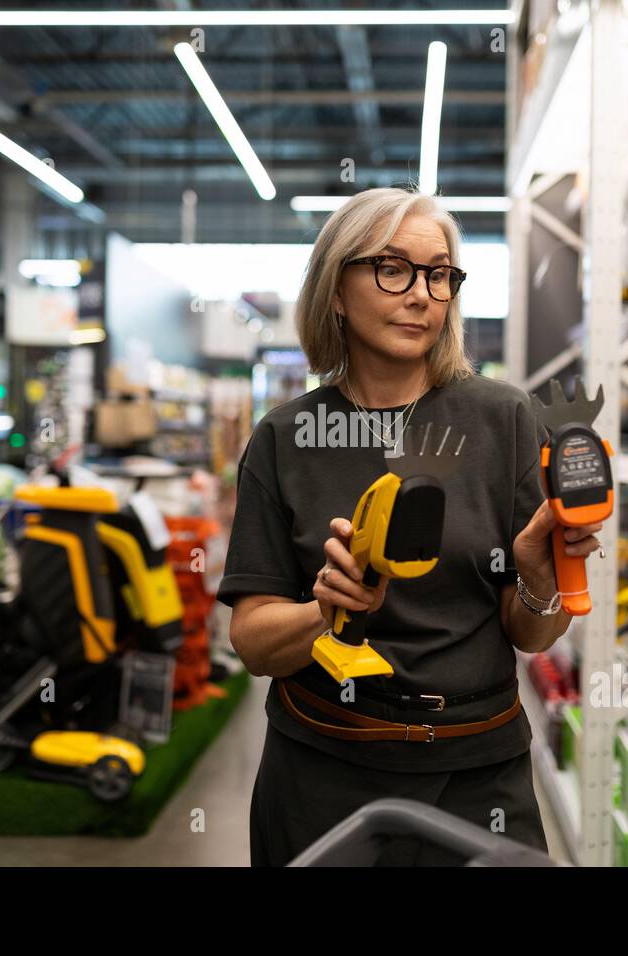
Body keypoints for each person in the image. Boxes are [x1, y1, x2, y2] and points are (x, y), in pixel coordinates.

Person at [217, 186, 605, 866]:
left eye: (440, 274)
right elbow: (252, 645)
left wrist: (539, 577)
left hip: (479, 770)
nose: (421, 293)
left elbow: (532, 631)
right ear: (337, 289)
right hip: (325, 771)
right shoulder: (285, 439)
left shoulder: (503, 419)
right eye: (392, 268)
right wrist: (325, 611)